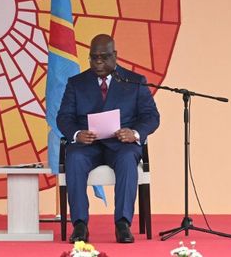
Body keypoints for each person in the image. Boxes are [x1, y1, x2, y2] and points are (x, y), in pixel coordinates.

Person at [58, 34, 159, 244]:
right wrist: (77, 134)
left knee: (127, 159)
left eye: (104, 57)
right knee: (74, 158)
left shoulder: (134, 81)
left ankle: (122, 224)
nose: (98, 62)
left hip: (121, 145)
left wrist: (134, 133)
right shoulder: (76, 83)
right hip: (88, 146)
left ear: (115, 56)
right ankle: (79, 225)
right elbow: (64, 117)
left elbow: (151, 117)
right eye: (93, 58)